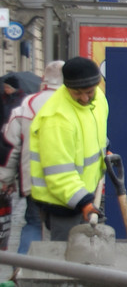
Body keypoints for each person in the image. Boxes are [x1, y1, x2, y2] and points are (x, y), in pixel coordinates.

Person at [29, 57, 109, 241]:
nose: (84, 98)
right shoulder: (57, 119)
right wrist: (84, 202)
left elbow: (96, 134)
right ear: (66, 87)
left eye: (89, 92)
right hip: (62, 202)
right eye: (76, 93)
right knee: (66, 260)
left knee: (83, 257)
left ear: (97, 84)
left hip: (86, 194)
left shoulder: (98, 100)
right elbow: (59, 174)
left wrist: (106, 149)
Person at [1, 61, 64, 253]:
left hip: (34, 180)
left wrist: (6, 179)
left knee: (33, 224)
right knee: (64, 229)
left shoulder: (28, 104)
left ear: (44, 78)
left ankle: (21, 270)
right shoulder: (75, 104)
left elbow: (11, 145)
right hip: (70, 181)